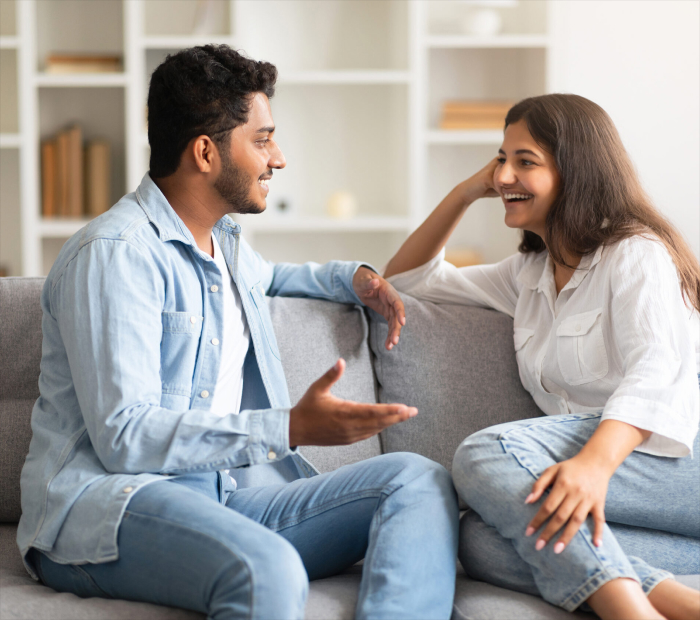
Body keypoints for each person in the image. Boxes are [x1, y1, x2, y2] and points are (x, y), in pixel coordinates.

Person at [17, 46, 459, 620]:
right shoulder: (115, 255)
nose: (277, 157)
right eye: (262, 139)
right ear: (205, 152)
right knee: (267, 568)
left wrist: (354, 279)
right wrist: (290, 426)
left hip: (223, 500)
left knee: (418, 481)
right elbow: (125, 438)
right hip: (109, 510)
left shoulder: (221, 241)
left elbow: (270, 277)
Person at [383, 94, 700, 620]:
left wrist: (593, 466)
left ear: (575, 171)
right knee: (479, 540)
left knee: (489, 453)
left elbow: (658, 373)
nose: (504, 174)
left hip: (675, 459)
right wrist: (467, 192)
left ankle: (632, 613)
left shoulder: (635, 252)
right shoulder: (527, 274)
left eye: (525, 161)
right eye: (500, 160)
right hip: (632, 495)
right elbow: (406, 282)